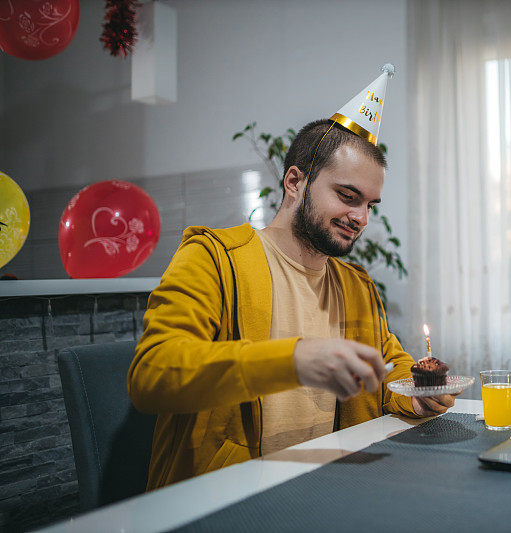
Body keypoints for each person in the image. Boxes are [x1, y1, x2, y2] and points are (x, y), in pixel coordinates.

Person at [128, 66, 458, 490]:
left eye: (371, 204)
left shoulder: (356, 286)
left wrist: (417, 394)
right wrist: (294, 360)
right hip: (227, 496)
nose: (361, 218)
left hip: (331, 486)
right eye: (347, 196)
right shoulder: (213, 257)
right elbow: (152, 375)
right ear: (295, 181)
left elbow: (390, 371)